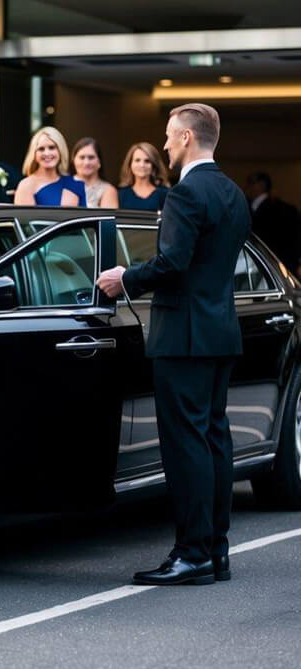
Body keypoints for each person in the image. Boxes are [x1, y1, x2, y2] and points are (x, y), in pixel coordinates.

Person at [96, 103, 251, 586]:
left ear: (186, 137)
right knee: (213, 442)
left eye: (168, 136)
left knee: (186, 447)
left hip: (182, 337)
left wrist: (127, 277)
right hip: (220, 332)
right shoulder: (234, 193)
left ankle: (191, 553)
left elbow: (173, 263)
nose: (163, 144)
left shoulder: (186, 193)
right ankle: (216, 550)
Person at [245, 172, 300, 277]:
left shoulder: (281, 209)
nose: (247, 187)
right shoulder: (285, 208)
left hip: (271, 265)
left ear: (261, 185)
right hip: (276, 265)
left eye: (251, 184)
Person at [13, 126, 86, 207]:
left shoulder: (74, 184)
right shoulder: (26, 185)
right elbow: (26, 218)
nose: (47, 153)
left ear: (60, 150)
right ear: (34, 154)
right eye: (41, 149)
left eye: (52, 148)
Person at [118, 142, 170, 211]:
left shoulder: (165, 193)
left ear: (154, 166)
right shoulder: (121, 194)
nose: (142, 165)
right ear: (130, 164)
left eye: (147, 161)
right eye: (137, 160)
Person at [71, 137, 118, 208]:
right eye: (82, 157)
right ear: (73, 160)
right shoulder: (63, 184)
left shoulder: (108, 190)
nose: (86, 163)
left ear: (99, 162)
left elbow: (107, 218)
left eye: (91, 157)